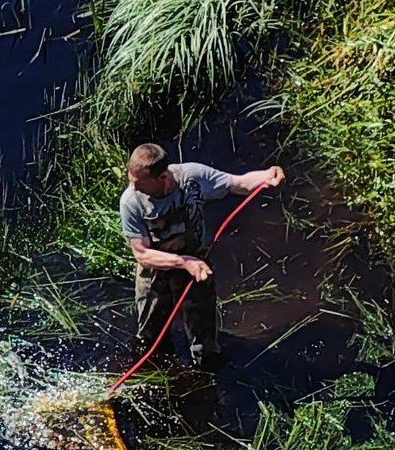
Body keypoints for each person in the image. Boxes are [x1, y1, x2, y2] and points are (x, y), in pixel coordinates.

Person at [119, 143, 284, 372]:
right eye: (131, 180)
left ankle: (206, 378)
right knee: (150, 338)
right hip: (156, 271)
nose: (133, 187)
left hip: (198, 266)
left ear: (163, 176)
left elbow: (239, 183)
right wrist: (183, 262)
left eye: (140, 183)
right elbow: (142, 254)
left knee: (204, 337)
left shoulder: (192, 178)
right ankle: (158, 376)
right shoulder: (130, 201)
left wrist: (267, 175)